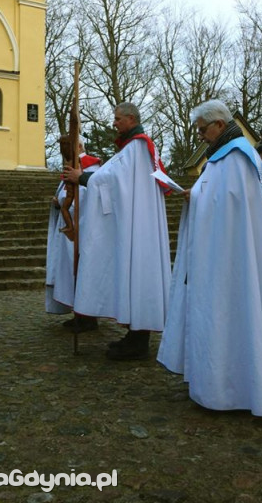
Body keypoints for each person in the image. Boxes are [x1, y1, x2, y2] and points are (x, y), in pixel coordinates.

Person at [157, 99, 262, 417]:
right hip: (221, 254)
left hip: (232, 257)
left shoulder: (237, 157)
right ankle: (221, 383)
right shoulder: (222, 158)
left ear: (219, 125)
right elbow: (218, 199)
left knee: (235, 311)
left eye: (203, 130)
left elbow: (233, 205)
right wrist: (194, 196)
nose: (201, 136)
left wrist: (200, 201)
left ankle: (236, 388)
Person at [63, 102, 171, 360]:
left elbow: (110, 179)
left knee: (138, 275)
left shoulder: (137, 147)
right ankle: (134, 336)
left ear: (131, 119)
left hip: (138, 224)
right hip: (137, 220)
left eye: (118, 118)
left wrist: (83, 177)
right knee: (135, 276)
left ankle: (138, 341)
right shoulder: (134, 148)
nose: (114, 123)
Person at [45, 139, 101, 332]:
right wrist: (58, 201)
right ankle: (79, 313)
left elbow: (87, 197)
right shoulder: (73, 168)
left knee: (81, 269)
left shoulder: (90, 167)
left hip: (81, 227)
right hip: (69, 226)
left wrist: (63, 201)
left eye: (67, 149)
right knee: (70, 270)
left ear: (79, 146)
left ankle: (87, 316)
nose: (64, 154)